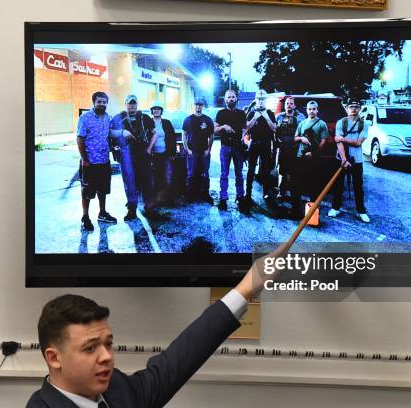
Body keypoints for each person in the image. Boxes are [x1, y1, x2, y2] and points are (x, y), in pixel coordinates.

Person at [26, 246, 287, 408]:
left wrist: (248, 285)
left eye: (108, 344)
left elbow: (180, 359)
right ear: (54, 357)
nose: (106, 357)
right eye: (90, 348)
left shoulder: (118, 390)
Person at [110, 94, 156, 221]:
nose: (132, 105)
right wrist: (122, 132)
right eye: (130, 103)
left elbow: (154, 134)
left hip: (143, 155)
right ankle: (132, 210)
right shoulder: (118, 118)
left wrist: (149, 148)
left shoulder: (145, 118)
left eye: (134, 103)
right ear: (125, 104)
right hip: (126, 156)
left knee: (147, 182)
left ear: (137, 104)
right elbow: (110, 132)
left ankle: (149, 208)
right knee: (130, 184)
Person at [76, 91, 117, 230]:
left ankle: (102, 213)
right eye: (99, 101)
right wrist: (84, 159)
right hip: (90, 162)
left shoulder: (107, 118)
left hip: (104, 161)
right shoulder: (85, 118)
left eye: (104, 102)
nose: (102, 104)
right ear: (94, 102)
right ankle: (85, 217)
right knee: (87, 191)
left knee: (103, 189)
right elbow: (80, 138)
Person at [329, 99, 370, 223]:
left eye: (356, 106)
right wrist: (344, 159)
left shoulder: (364, 124)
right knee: (338, 185)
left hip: (357, 159)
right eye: (351, 106)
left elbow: (358, 142)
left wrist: (342, 138)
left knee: (358, 186)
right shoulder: (341, 122)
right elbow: (338, 142)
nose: (353, 109)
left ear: (360, 108)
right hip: (341, 158)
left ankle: (361, 211)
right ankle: (336, 208)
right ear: (346, 108)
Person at [290, 101, 329, 220]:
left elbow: (323, 141)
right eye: (309, 109)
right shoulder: (302, 123)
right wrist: (301, 138)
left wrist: (313, 153)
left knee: (314, 187)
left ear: (317, 110)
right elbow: (295, 138)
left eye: (314, 109)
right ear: (306, 110)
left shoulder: (322, 124)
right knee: (297, 185)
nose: (311, 111)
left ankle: (312, 216)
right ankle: (295, 211)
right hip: (300, 157)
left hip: (314, 159)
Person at [244, 90, 276, 211]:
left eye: (263, 99)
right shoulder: (251, 112)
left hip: (266, 144)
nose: (261, 101)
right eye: (259, 99)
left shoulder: (270, 113)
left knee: (266, 169)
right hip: (254, 143)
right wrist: (255, 118)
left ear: (265, 100)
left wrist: (267, 117)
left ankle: (266, 192)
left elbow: (274, 129)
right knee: (251, 169)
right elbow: (246, 128)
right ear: (256, 100)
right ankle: (248, 193)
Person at [215, 89, 247, 210]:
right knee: (224, 174)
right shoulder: (221, 113)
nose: (231, 99)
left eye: (233, 97)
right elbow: (214, 129)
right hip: (225, 147)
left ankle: (240, 197)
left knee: (239, 174)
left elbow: (245, 127)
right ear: (225, 100)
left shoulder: (241, 113)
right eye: (229, 97)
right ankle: (223, 198)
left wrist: (244, 136)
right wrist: (224, 126)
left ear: (236, 99)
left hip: (238, 148)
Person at [182, 96, 214, 204]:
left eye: (200, 105)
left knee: (205, 173)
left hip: (204, 151)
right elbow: (184, 135)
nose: (198, 107)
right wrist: (187, 149)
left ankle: (206, 194)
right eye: (196, 105)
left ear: (202, 106)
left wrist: (208, 149)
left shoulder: (207, 120)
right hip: (192, 152)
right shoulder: (188, 119)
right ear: (193, 106)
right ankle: (189, 195)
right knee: (191, 174)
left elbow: (211, 136)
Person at [274, 97, 304, 200]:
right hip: (282, 149)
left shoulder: (300, 118)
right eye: (287, 103)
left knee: (295, 172)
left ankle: (294, 193)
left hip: (295, 149)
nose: (289, 105)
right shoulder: (279, 117)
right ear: (284, 105)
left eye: (291, 103)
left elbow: (304, 133)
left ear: (295, 106)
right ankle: (281, 192)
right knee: (282, 172)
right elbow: (274, 132)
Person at [148, 101, 176, 206]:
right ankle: (156, 200)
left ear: (161, 111)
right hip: (153, 155)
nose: (156, 110)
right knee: (155, 178)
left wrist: (172, 153)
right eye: (154, 108)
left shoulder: (167, 123)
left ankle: (168, 199)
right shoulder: (148, 122)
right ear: (152, 110)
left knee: (168, 176)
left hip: (165, 154)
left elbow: (172, 138)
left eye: (158, 108)